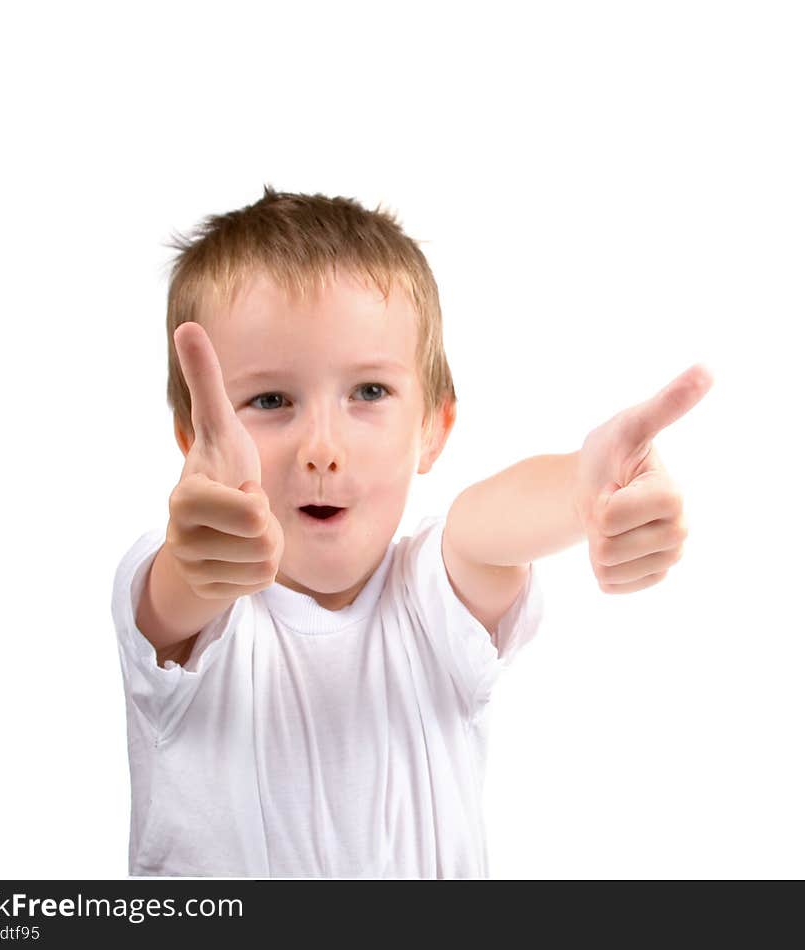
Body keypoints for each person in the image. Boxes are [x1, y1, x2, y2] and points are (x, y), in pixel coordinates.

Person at [111, 185, 712, 878]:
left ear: (434, 428)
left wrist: (582, 489)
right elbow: (180, 591)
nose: (322, 447)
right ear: (194, 439)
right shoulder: (190, 616)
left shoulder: (430, 601)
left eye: (369, 392)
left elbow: (485, 527)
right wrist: (200, 549)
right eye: (271, 400)